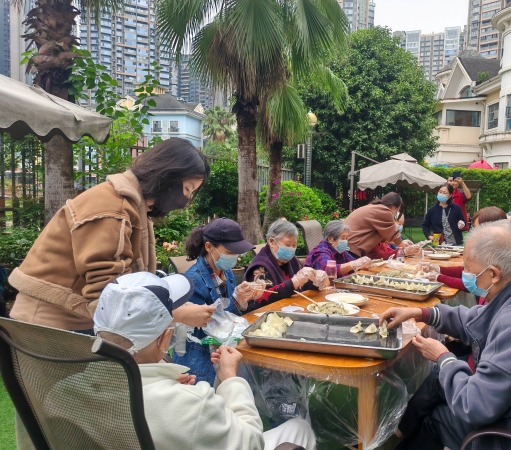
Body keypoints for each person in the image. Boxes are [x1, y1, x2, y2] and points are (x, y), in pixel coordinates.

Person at [34, 272, 316, 450]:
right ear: (164, 340)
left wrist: (168, 386)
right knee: (299, 428)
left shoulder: (58, 394)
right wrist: (230, 379)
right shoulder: (189, 405)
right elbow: (251, 441)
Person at [382, 223, 511, 450]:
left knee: (437, 419)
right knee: (440, 391)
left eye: (469, 268)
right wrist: (420, 312)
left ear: (493, 274)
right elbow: (474, 318)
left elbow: (473, 407)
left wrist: (444, 358)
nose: (465, 273)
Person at [8, 138, 213, 334]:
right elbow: (108, 294)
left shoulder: (133, 206)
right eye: (187, 189)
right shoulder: (113, 208)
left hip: (72, 320)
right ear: (168, 176)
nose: (185, 200)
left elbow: (126, 285)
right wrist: (175, 314)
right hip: (50, 324)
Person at [173, 218, 265, 384]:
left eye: (237, 253)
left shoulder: (226, 271)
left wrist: (244, 298)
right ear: (209, 247)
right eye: (230, 252)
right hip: (198, 357)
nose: (234, 257)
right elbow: (206, 325)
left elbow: (229, 316)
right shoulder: (193, 281)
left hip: (220, 351)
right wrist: (236, 301)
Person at [431, 210, 511, 319]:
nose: (477, 238)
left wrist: (438, 277)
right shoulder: (509, 267)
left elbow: (489, 323)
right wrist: (438, 270)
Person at [244, 219, 328, 311]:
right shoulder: (260, 267)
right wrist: (294, 282)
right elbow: (261, 299)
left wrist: (315, 280)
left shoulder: (292, 260)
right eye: (288, 245)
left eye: (294, 245)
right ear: (271, 242)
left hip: (294, 308)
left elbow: (302, 286)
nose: (291, 249)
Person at [345, 192, 404, 258]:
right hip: (353, 247)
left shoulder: (374, 207)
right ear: (393, 207)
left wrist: (403, 243)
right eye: (398, 209)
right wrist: (405, 250)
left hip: (347, 245)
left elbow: (384, 236)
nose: (396, 212)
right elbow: (394, 235)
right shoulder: (384, 210)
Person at [304, 220, 372, 276]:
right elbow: (329, 270)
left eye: (346, 238)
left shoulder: (339, 249)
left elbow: (353, 262)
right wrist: (354, 264)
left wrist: (363, 263)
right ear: (330, 239)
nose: (345, 241)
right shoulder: (321, 252)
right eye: (342, 238)